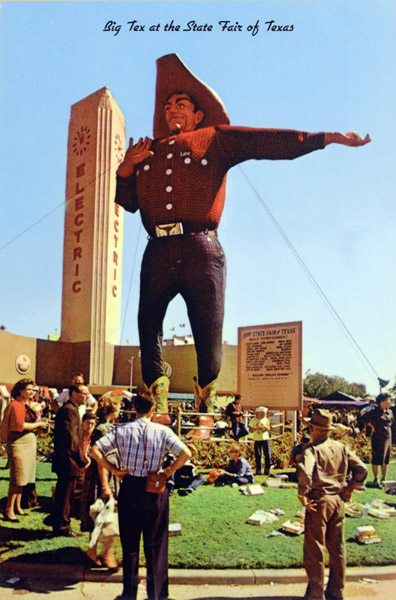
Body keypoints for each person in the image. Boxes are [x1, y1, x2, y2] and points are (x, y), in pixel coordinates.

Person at [115, 53, 371, 414]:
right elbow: (127, 204)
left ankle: (205, 405)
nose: (173, 110)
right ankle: (155, 403)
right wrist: (126, 169)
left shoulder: (215, 138)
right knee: (147, 324)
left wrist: (326, 138)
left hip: (200, 245)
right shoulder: (147, 151)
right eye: (168, 105)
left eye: (182, 104)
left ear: (199, 114)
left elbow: (271, 142)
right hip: (156, 248)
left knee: (207, 329)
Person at [90, 392, 191, 600]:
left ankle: (129, 593)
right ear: (153, 409)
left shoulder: (121, 430)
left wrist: (115, 470)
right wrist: (168, 471)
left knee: (130, 544)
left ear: (134, 408)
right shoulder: (163, 431)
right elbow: (186, 453)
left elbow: (95, 451)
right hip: (154, 487)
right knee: (156, 543)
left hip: (130, 487)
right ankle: (157, 594)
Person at [297, 408, 367, 600]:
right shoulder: (341, 447)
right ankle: (336, 591)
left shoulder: (312, 450)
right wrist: (351, 487)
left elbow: (305, 473)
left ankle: (316, 594)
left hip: (320, 501)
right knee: (337, 549)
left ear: (312, 428)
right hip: (337, 501)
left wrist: (303, 494)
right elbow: (362, 469)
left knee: (315, 550)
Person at [80, 395, 123, 571]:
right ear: (113, 409)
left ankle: (97, 550)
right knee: (104, 514)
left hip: (102, 475)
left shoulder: (104, 428)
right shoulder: (105, 430)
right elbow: (102, 459)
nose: (120, 409)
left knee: (100, 515)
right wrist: (105, 485)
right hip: (103, 477)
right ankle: (104, 553)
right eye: (119, 406)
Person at [0, 379, 47, 522]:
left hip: (27, 444)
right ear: (20, 390)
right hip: (19, 444)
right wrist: (38, 424)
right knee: (17, 479)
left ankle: (18, 506)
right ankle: (8, 509)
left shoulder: (25, 405)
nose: (31, 392)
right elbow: (18, 426)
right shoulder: (15, 405)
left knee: (24, 478)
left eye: (32, 390)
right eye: (28, 389)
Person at [51, 383, 90, 536]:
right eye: (84, 393)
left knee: (65, 494)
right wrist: (81, 459)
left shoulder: (70, 410)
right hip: (68, 461)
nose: (87, 396)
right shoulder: (70, 411)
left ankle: (60, 523)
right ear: (74, 394)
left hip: (67, 460)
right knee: (65, 495)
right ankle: (62, 526)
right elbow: (71, 439)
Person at [362, 392, 394, 487]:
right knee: (376, 458)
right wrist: (371, 427)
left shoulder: (390, 411)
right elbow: (363, 418)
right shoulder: (374, 412)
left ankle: (383, 479)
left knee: (385, 458)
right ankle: (375, 479)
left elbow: (391, 422)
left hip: (388, 437)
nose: (389, 402)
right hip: (377, 437)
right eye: (388, 401)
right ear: (382, 402)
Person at [248, 406, 271, 475]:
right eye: (262, 414)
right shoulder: (253, 420)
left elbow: (269, 429)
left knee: (267, 455)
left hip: (265, 438)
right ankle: (258, 470)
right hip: (257, 439)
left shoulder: (266, 419)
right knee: (258, 455)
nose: (264, 415)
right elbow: (250, 430)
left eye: (264, 414)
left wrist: (266, 428)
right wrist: (256, 428)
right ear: (258, 413)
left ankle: (267, 470)